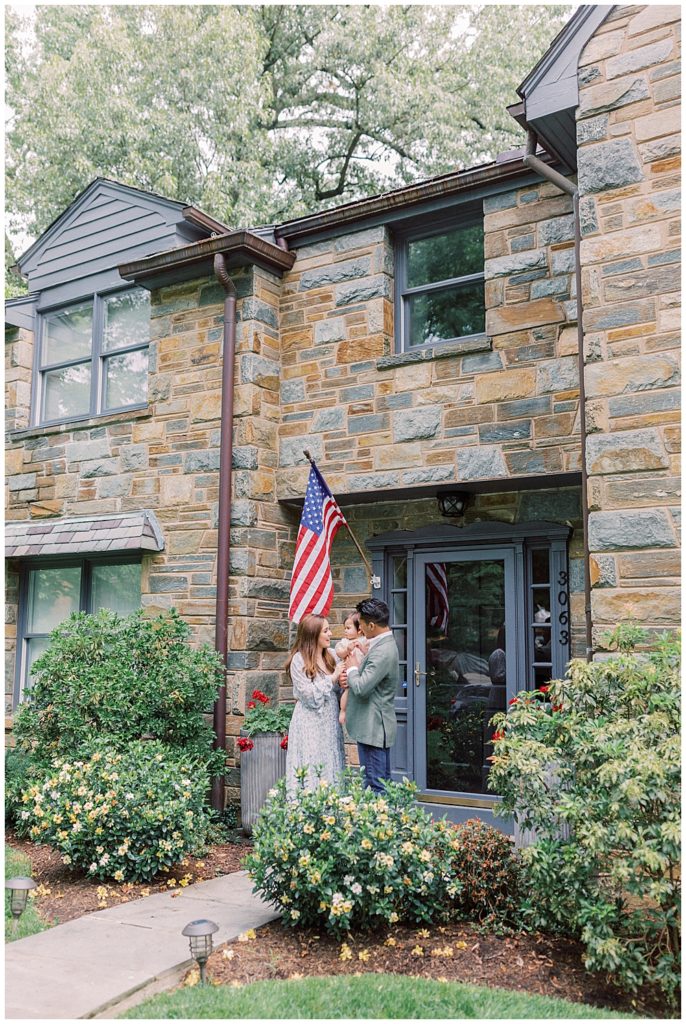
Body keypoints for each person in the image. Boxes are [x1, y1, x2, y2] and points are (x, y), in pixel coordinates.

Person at [341, 597, 399, 793]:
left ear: (371, 625)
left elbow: (362, 687)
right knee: (379, 782)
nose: (361, 630)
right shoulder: (380, 644)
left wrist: (351, 670)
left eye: (362, 625)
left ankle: (380, 823)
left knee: (376, 786)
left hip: (373, 726)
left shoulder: (383, 651)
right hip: (371, 726)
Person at [284, 614, 347, 794]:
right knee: (311, 762)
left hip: (330, 721)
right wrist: (333, 677)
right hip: (308, 722)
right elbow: (308, 696)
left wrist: (343, 682)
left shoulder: (332, 656)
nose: (330, 634)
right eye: (325, 631)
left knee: (330, 761)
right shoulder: (299, 660)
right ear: (313, 634)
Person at [334, 610, 369, 727]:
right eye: (345, 628)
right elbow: (339, 653)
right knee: (348, 692)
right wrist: (347, 650)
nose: (345, 631)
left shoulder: (366, 641)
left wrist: (363, 649)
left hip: (362, 674)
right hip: (349, 673)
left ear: (359, 630)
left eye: (348, 628)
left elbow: (370, 655)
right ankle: (343, 711)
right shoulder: (345, 642)